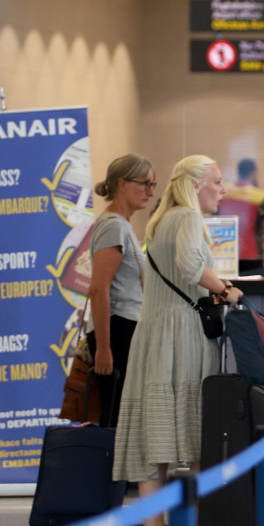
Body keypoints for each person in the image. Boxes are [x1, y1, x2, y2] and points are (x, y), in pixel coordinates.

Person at [112, 155, 243, 526]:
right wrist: (225, 289)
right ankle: (206, 525)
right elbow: (189, 267)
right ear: (196, 184)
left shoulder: (161, 220)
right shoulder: (186, 218)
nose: (223, 190)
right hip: (182, 335)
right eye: (218, 182)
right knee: (196, 431)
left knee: (156, 435)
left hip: (152, 336)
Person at [86, 154, 155, 427]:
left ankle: (118, 469)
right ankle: (111, 470)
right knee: (116, 418)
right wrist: (103, 348)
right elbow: (98, 289)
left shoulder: (122, 225)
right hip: (116, 331)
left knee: (123, 417)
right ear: (122, 184)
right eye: (145, 184)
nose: (150, 191)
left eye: (153, 184)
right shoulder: (114, 226)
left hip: (124, 329)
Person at [216, 157, 264, 272]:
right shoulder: (259, 195)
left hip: (223, 251)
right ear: (254, 172)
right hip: (250, 252)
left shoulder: (224, 191)